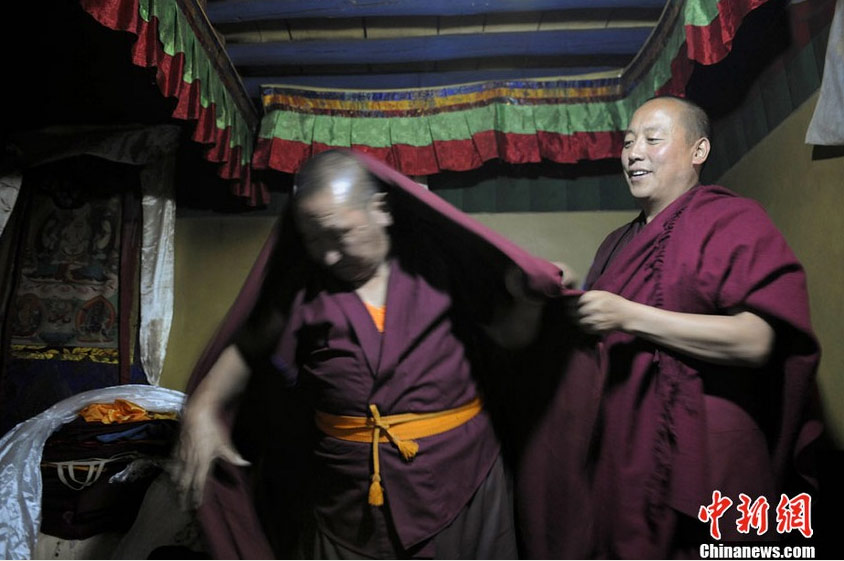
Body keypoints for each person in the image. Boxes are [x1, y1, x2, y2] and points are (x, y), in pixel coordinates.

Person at [171, 149, 563, 559]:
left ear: (380, 210)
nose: (327, 255)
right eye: (313, 240)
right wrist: (202, 408)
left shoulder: (444, 265)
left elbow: (508, 340)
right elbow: (247, 347)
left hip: (460, 479)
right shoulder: (302, 287)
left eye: (338, 234)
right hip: (346, 493)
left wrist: (531, 301)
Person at [564, 95, 823, 557]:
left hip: (710, 451)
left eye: (652, 139)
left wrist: (630, 315)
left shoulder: (730, 218)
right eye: (628, 142)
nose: (633, 152)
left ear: (698, 151)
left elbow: (757, 341)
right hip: (626, 454)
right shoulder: (614, 245)